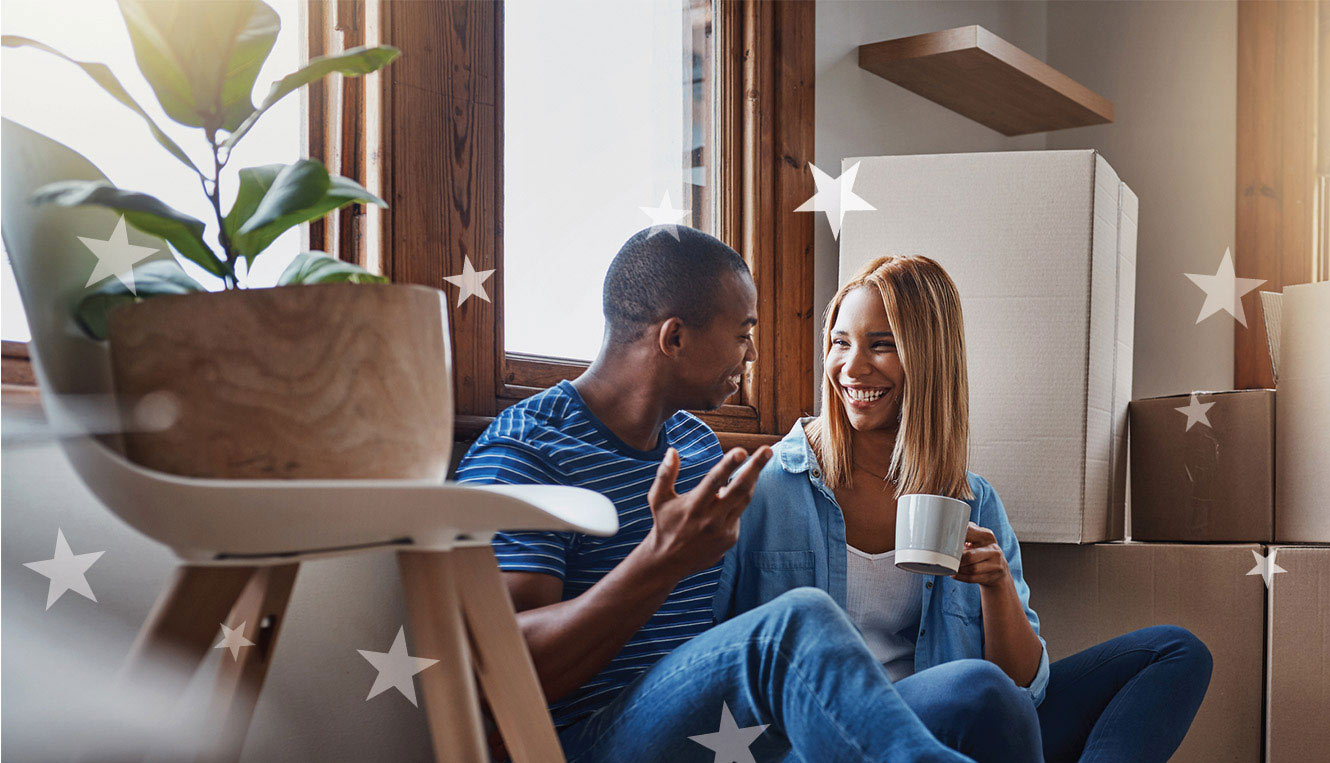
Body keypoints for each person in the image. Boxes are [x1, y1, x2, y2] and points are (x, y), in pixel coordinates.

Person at [456, 228, 1019, 762]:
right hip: (589, 741)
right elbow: (500, 670)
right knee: (796, 621)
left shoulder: (695, 445)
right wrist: (661, 560)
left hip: (724, 728)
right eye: (743, 334)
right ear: (674, 337)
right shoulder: (528, 452)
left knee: (977, 692)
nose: (751, 356)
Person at [714, 254, 1214, 762]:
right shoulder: (766, 487)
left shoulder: (973, 500)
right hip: (834, 738)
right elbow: (705, 659)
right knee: (979, 689)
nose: (853, 366)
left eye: (882, 345)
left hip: (959, 727)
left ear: (930, 360)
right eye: (841, 342)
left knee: (1174, 652)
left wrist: (997, 588)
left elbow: (1026, 686)